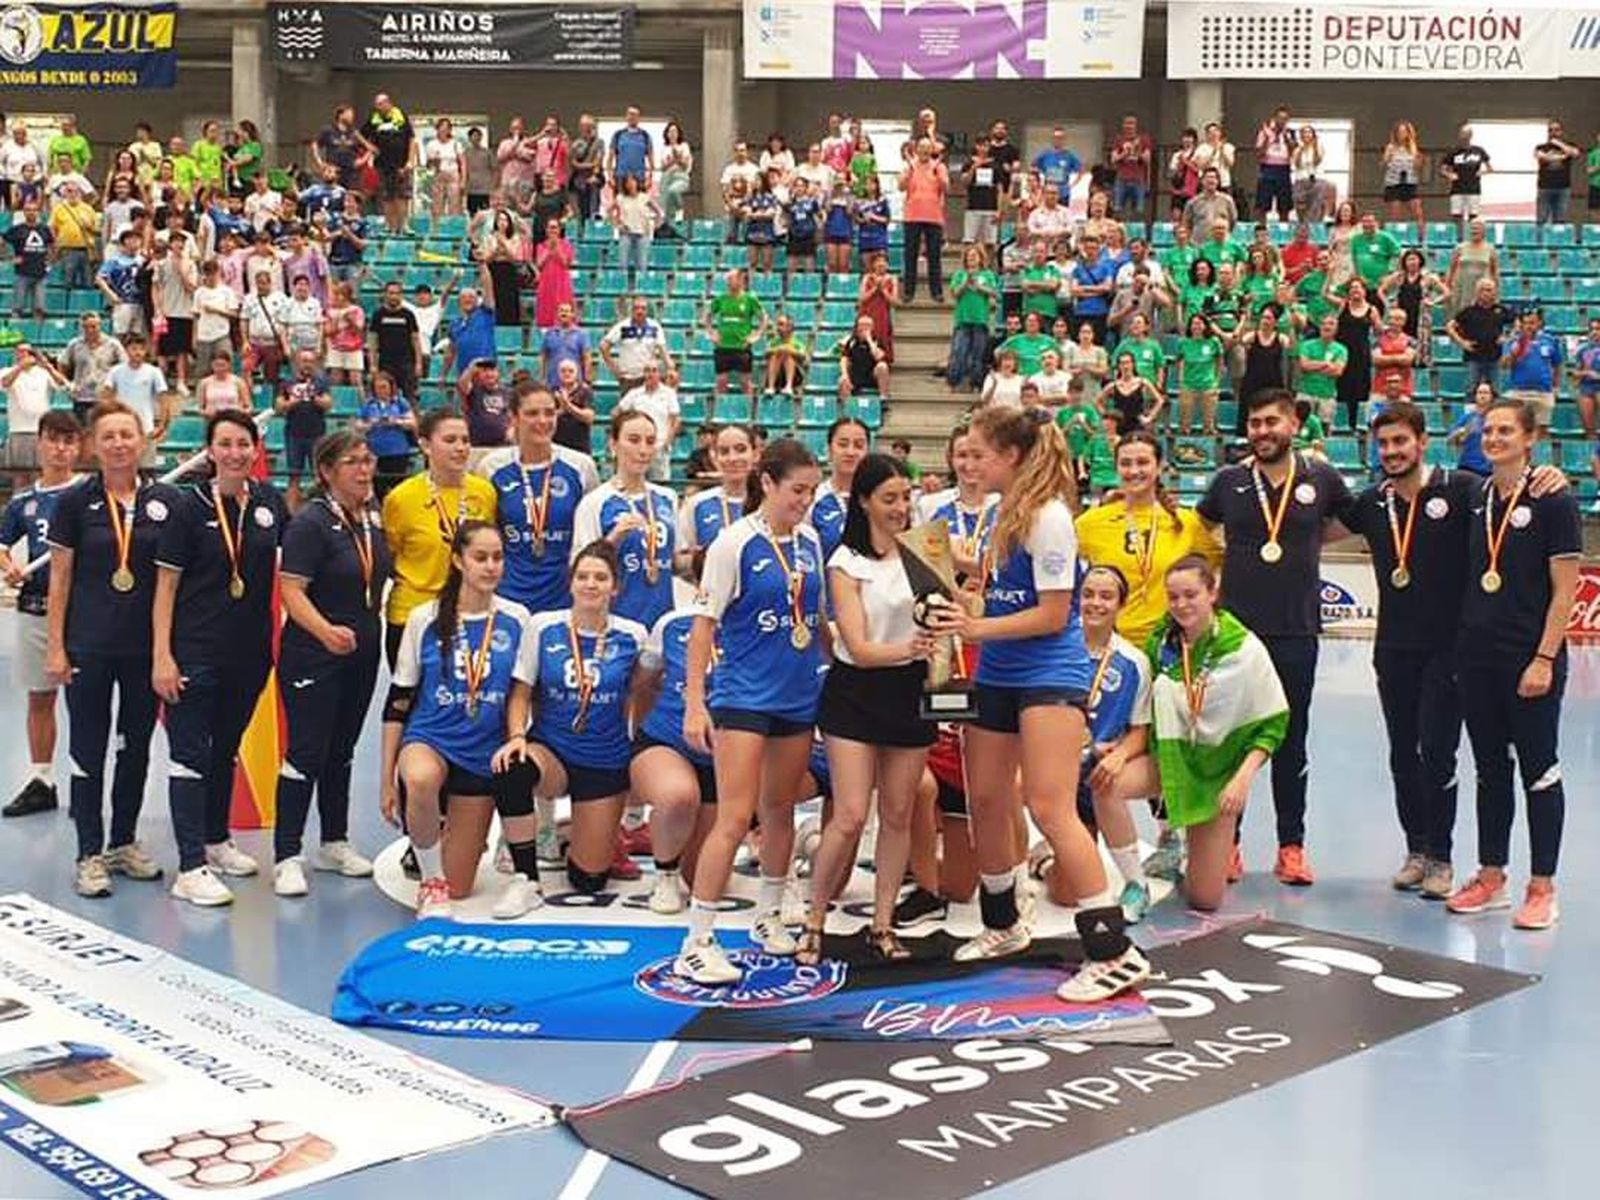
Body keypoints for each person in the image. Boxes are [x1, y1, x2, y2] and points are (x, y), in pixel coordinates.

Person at [920, 406, 1148, 999]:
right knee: (987, 800)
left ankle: (1113, 951)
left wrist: (974, 629)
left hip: (1048, 671)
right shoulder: (1004, 511)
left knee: (1050, 807)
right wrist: (930, 561)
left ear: (1012, 456)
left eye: (980, 454)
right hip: (999, 670)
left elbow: (1051, 615)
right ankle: (1003, 924)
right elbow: (1000, 591)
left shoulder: (1049, 517)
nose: (971, 465)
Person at [672, 439, 828, 984]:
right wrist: (695, 704)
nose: (805, 501)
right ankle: (697, 940)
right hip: (743, 698)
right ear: (767, 484)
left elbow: (815, 621)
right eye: (796, 490)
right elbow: (703, 628)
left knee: (780, 809)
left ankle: (768, 915)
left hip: (797, 697)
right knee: (735, 818)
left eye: (812, 491)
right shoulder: (732, 544)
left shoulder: (810, 540)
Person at [1196, 390, 1353, 886]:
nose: (1262, 431)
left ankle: (1291, 847)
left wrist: (1304, 538)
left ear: (1293, 425)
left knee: (1291, 740)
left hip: (1296, 629)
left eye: (1271, 422)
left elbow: (1350, 520)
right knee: (1230, 739)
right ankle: (1228, 845)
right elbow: (1200, 526)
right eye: (1255, 423)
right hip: (1236, 634)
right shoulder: (1229, 481)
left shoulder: (1320, 477)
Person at [797, 453, 937, 962]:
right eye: (889, 498)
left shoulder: (925, 551)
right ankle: (813, 918)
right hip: (855, 691)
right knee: (851, 814)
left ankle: (882, 925)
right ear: (864, 501)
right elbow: (857, 646)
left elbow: (957, 603)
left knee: (898, 813)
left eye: (906, 497)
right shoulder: (845, 562)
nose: (901, 508)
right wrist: (912, 648)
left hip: (909, 692)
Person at [1448, 400, 1580, 929]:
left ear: (1530, 439)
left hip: (1530, 659)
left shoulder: (1554, 499)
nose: (1494, 438)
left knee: (1539, 772)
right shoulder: (1476, 495)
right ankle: (1492, 877)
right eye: (1488, 430)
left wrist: (1544, 658)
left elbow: (1565, 592)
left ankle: (1543, 887)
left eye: (1506, 431)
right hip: (1477, 660)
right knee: (1490, 770)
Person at [150, 413, 285, 905]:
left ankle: (215, 839)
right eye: (224, 444)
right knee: (189, 755)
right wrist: (162, 656)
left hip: (249, 654)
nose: (234, 453)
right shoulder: (188, 508)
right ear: (209, 451)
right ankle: (190, 867)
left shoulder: (269, 503)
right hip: (194, 651)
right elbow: (165, 587)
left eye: (243, 443)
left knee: (225, 748)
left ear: (255, 449)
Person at [45, 402, 173, 898]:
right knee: (88, 749)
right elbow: (60, 579)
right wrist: (56, 648)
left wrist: (167, 651)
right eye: (109, 436)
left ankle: (122, 841)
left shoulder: (165, 501)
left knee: (135, 747)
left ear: (142, 440)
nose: (119, 443)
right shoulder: (74, 503)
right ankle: (88, 853)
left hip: (144, 650)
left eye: (127, 434)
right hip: (88, 647)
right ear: (94, 446)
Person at [382, 521, 536, 917]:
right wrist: (386, 780)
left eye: (497, 557)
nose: (490, 566)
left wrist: (516, 735)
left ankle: (451, 843)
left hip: (482, 752)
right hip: (430, 738)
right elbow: (398, 701)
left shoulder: (518, 618)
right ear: (458, 561)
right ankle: (430, 882)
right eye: (480, 557)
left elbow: (520, 691)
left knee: (462, 887)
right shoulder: (425, 618)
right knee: (420, 779)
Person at [270, 430, 390, 895]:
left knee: (341, 750)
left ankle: (334, 841)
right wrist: (324, 632)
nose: (364, 469)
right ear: (326, 471)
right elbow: (291, 591)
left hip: (362, 653)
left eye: (368, 459)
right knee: (306, 751)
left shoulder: (372, 518)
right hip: (313, 655)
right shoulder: (310, 522)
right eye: (352, 462)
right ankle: (286, 854)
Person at [1145, 556, 1289, 910]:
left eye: (1190, 594)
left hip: (1218, 775)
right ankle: (1137, 875)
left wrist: (1242, 779)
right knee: (1105, 784)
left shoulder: (1243, 649)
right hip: (1171, 762)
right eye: (1173, 597)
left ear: (1212, 592)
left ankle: (1189, 859)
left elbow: (1273, 722)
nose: (1181, 604)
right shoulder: (1160, 644)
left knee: (1205, 900)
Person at [0, 411, 82, 818]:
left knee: (87, 702)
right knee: (40, 698)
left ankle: (86, 783)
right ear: (40, 444)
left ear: (78, 447)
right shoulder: (22, 503)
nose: (60, 449)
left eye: (68, 441)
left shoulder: (89, 495)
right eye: (53, 439)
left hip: (83, 614)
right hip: (36, 610)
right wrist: (9, 566)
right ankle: (42, 780)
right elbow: (1, 545)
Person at [631, 552, 720, 915]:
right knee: (678, 796)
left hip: (725, 754)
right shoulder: (671, 624)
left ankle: (802, 843)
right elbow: (644, 684)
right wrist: (636, 734)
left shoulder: (756, 624)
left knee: (704, 879)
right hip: (669, 739)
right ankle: (664, 874)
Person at [382, 409, 499, 670]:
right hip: (413, 613)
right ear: (425, 445)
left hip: (467, 612)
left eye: (465, 440)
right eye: (450, 440)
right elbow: (391, 555)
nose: (460, 448)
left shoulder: (485, 493)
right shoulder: (401, 498)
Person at [480, 383, 599, 614]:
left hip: (564, 599)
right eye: (532, 413)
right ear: (514, 418)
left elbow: (590, 535)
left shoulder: (581, 467)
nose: (543, 421)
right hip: (508, 597)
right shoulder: (491, 468)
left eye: (549, 413)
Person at [572, 409, 678, 630]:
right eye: (634, 440)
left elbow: (675, 560)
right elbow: (578, 566)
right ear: (613, 445)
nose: (643, 450)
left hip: (661, 622)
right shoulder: (595, 502)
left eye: (650, 442)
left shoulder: (668, 498)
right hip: (616, 624)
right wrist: (612, 540)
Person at [677, 422, 753, 559]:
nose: (732, 458)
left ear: (755, 454)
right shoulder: (697, 504)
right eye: (724, 452)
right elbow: (679, 558)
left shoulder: (770, 503)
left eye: (741, 449)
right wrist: (699, 561)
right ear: (715, 457)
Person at [808, 416, 869, 564]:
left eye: (859, 445)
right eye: (843, 444)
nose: (850, 452)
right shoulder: (813, 498)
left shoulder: (877, 498)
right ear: (829, 450)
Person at [704, 269, 767, 401]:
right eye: (728, 279)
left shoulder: (750, 299)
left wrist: (757, 335)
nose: (728, 282)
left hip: (741, 347)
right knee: (721, 382)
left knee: (745, 383)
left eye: (731, 279)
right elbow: (707, 315)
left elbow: (763, 318)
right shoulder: (720, 299)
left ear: (740, 280)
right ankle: (721, 409)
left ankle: (748, 410)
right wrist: (711, 332)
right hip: (723, 346)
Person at [616, 361, 681, 484]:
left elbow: (675, 420)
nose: (650, 374)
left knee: (659, 483)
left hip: (659, 446)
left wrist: (667, 442)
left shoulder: (669, 394)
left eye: (654, 370)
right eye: (647, 370)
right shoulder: (634, 394)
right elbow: (616, 413)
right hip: (635, 446)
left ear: (659, 374)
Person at [899, 138, 947, 302]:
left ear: (931, 150)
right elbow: (901, 186)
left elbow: (946, 187)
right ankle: (908, 292)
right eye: (921, 147)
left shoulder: (939, 166)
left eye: (927, 148)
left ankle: (936, 292)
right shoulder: (910, 165)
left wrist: (937, 172)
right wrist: (910, 170)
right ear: (917, 150)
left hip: (934, 216)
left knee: (934, 255)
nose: (924, 151)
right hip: (912, 215)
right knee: (910, 254)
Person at [1333, 278, 1383, 432]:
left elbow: (1379, 331)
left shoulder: (1372, 310)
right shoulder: (1343, 305)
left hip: (1361, 354)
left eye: (1358, 287)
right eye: (1352, 288)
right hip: (1343, 353)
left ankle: (1358, 424)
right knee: (1343, 389)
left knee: (1360, 390)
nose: (1355, 290)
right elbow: (1325, 294)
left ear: (1364, 291)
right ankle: (1342, 425)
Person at [1445, 276, 1511, 392]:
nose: (1486, 293)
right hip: (1473, 358)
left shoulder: (1501, 310)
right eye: (1482, 290)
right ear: (1477, 292)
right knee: (1471, 390)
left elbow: (1518, 323)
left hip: (1495, 357)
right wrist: (1462, 343)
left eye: (1489, 290)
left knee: (1495, 391)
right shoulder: (1469, 311)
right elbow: (1449, 326)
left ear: (1495, 292)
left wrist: (1508, 337)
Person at [357, 369, 416, 496]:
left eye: (384, 387)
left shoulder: (400, 403)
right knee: (378, 487)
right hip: (375, 451)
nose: (381, 390)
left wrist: (396, 421)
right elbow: (358, 426)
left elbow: (412, 423)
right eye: (378, 387)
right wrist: (372, 423)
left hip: (397, 451)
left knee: (398, 486)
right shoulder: (369, 405)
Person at [1502, 309, 1563, 433]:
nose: (1529, 326)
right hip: (1519, 392)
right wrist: (1514, 354)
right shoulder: (1513, 341)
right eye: (1525, 323)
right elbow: (1504, 366)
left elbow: (1557, 365)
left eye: (1532, 323)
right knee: (1517, 430)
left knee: (1541, 431)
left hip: (1543, 392)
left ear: (1539, 323)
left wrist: (1556, 387)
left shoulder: (1550, 340)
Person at [947, 245, 999, 392]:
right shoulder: (959, 274)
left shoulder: (987, 274)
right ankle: (956, 382)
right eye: (969, 256)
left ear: (981, 258)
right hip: (962, 319)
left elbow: (994, 292)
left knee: (978, 355)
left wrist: (979, 287)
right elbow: (954, 293)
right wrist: (965, 283)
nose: (971, 258)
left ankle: (975, 383)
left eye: (974, 256)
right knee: (959, 352)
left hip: (980, 320)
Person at [1176, 312, 1226, 435]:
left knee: (1209, 426)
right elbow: (1179, 362)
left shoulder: (1214, 341)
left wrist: (1216, 382)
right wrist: (1181, 381)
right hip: (1188, 384)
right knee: (1184, 425)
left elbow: (1219, 362)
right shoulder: (1183, 342)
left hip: (1208, 384)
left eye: (1199, 323)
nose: (1196, 326)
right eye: (1193, 323)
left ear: (1205, 325)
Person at [1098, 350, 1164, 436]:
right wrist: (1108, 417)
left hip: (1137, 426)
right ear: (1119, 366)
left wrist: (1149, 418)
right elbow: (1098, 402)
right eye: (1122, 363)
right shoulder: (1113, 385)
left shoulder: (1142, 382)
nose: (1125, 366)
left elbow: (1160, 400)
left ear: (1133, 364)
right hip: (1119, 427)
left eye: (1128, 363)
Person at [1440, 125, 1492, 231]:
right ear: (1460, 135)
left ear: (1471, 135)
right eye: (1463, 134)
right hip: (1457, 188)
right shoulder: (1454, 152)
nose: (1465, 137)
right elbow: (1442, 169)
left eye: (1467, 134)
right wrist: (1450, 175)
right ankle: (1458, 235)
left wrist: (1482, 172)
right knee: (1456, 214)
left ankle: (1470, 235)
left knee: (1473, 215)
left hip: (1473, 188)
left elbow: (1490, 168)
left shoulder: (1478, 151)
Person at [1534, 121, 1581, 225]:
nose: (1553, 132)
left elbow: (1575, 153)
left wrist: (1559, 143)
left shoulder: (1570, 145)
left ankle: (1558, 235)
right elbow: (1542, 156)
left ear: (1561, 131)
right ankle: (1540, 236)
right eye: (1550, 130)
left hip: (1563, 188)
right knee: (1541, 219)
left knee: (1560, 219)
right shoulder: (1540, 147)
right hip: (1544, 187)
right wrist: (1563, 156)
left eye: (1556, 130)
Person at [1254, 105, 1295, 221]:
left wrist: (1286, 138)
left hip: (1284, 169)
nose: (1282, 121)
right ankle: (1262, 228)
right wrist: (1268, 139)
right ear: (1275, 118)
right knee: (1263, 204)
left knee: (1284, 205)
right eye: (1280, 118)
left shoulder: (1290, 132)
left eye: (1285, 119)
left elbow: (1293, 152)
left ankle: (1284, 228)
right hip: (1267, 168)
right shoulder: (1264, 131)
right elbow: (1258, 154)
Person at [1381, 122, 1426, 227]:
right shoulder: (1391, 147)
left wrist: (1419, 161)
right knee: (1395, 212)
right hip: (1394, 182)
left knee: (1417, 210)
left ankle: (1421, 234)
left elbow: (1417, 166)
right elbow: (1384, 163)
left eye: (1404, 132)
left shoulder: (1412, 147)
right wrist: (1387, 158)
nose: (1402, 134)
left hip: (1409, 181)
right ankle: (1395, 232)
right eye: (1399, 132)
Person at [1448, 380, 1495, 477]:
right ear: (1475, 396)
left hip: (1488, 470)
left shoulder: (1495, 419)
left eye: (1486, 393)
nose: (1482, 396)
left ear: (1491, 396)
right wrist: (1460, 432)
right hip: (1467, 467)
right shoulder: (1467, 418)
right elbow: (1449, 440)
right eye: (1480, 393)